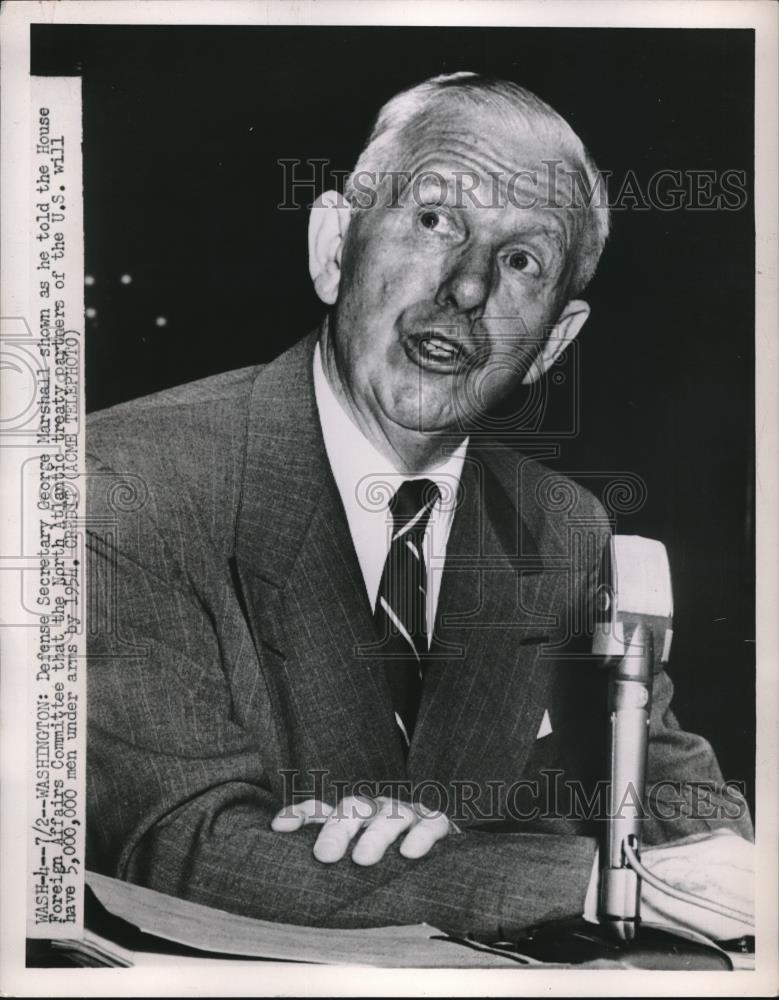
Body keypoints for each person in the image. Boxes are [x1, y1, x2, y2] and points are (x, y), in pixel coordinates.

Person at [86, 72, 753, 943]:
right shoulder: (122, 484)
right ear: (334, 247)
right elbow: (173, 841)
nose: (467, 289)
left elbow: (681, 802)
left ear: (553, 341)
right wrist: (593, 879)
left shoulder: (562, 530)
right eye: (435, 219)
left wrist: (697, 851)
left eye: (521, 261)